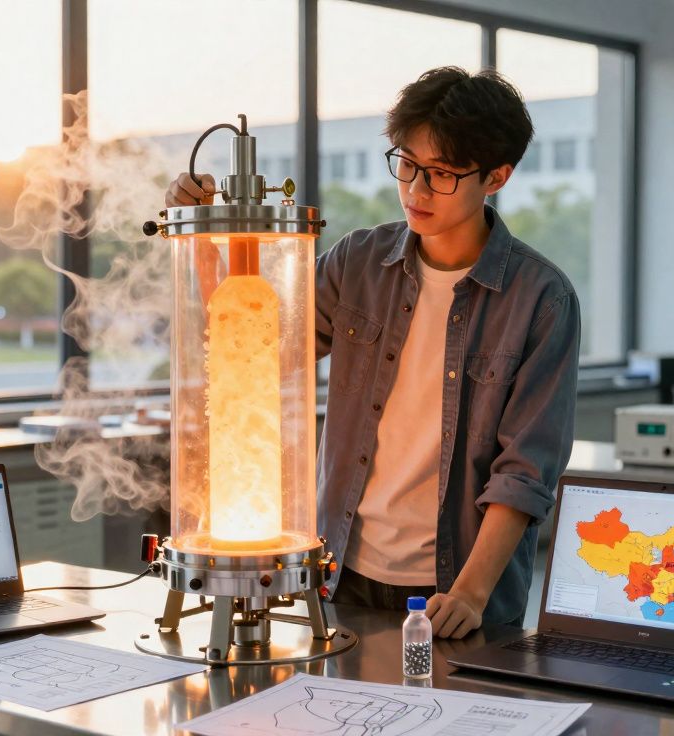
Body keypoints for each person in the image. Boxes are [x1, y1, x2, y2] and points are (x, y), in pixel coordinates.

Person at [165, 67, 580, 638]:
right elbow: (250, 354)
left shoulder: (541, 299)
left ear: (497, 176)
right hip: (342, 575)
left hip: (455, 591)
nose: (415, 189)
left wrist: (470, 593)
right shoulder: (357, 262)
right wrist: (209, 237)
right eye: (406, 164)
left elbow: (525, 472)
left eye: (441, 174)